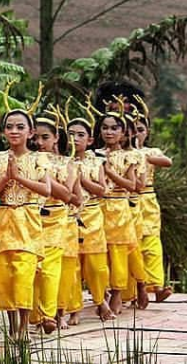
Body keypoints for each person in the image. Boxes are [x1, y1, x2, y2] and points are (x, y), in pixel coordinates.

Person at [0, 108, 52, 340]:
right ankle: (12, 327)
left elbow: (46, 189)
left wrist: (19, 177)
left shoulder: (39, 159)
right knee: (5, 274)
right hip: (4, 220)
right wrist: (5, 179)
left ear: (31, 132)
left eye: (20, 127)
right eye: (9, 127)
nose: (14, 131)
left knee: (23, 273)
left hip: (28, 220)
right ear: (3, 131)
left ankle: (24, 328)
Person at [31, 108, 77, 334]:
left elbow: (67, 194)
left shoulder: (66, 163)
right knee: (33, 268)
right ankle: (35, 315)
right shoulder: (26, 159)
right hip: (30, 218)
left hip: (57, 218)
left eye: (45, 137)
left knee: (50, 268)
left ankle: (50, 314)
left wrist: (44, 176)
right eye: (36, 137)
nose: (39, 142)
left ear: (57, 138)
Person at [97, 111, 142, 316]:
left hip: (120, 209)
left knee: (118, 254)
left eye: (114, 128)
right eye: (105, 127)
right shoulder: (94, 154)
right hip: (98, 209)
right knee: (99, 254)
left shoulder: (128, 156)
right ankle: (101, 293)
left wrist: (109, 172)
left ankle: (117, 292)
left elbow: (132, 185)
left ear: (123, 133)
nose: (109, 132)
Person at [68, 111, 111, 323]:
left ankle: (100, 300)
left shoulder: (96, 162)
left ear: (90, 139)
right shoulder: (61, 161)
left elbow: (102, 190)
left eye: (80, 134)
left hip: (92, 215)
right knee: (73, 264)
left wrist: (82, 179)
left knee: (96, 264)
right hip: (68, 217)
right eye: (71, 134)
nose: (75, 139)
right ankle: (74, 308)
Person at [132, 110, 173, 303]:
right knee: (133, 246)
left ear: (147, 131)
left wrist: (144, 157)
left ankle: (157, 286)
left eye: (140, 129)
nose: (136, 133)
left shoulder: (150, 152)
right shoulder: (122, 154)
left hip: (147, 200)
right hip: (127, 201)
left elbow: (167, 162)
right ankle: (135, 288)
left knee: (152, 244)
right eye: (132, 129)